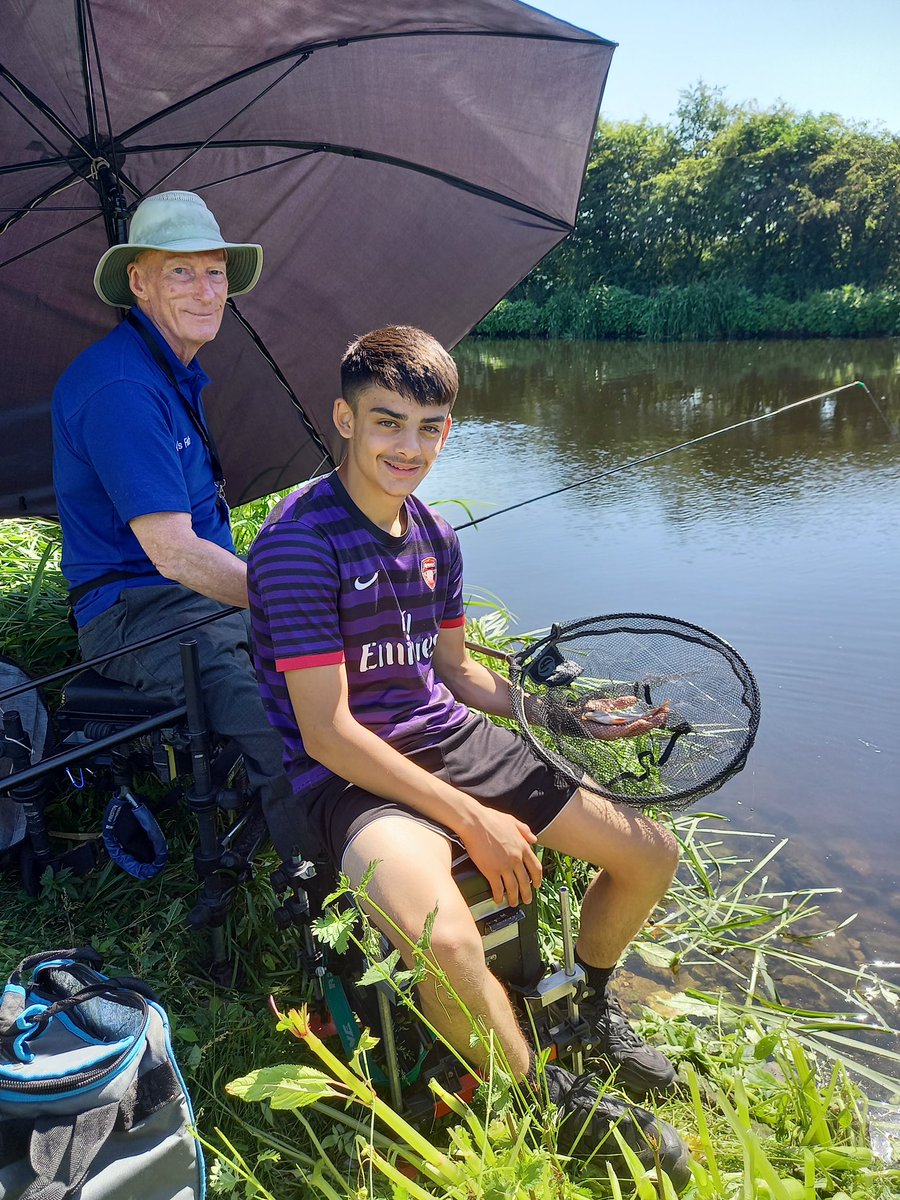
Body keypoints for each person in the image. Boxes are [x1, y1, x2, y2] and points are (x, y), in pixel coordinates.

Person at [246, 326, 690, 1186]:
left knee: (649, 853)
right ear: (343, 418)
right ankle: (540, 1101)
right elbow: (328, 732)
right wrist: (472, 819)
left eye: (429, 427)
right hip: (348, 778)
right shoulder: (297, 544)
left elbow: (453, 674)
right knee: (442, 935)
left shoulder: (436, 539)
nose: (408, 448)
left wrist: (559, 716)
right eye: (387, 423)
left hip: (449, 737)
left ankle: (589, 1011)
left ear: (448, 429)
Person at [52, 190, 286, 804]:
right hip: (136, 608)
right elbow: (175, 555)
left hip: (196, 598)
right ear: (139, 282)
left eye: (215, 273)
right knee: (277, 719)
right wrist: (286, 602)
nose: (206, 291)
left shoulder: (169, 367)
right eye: (180, 271)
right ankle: (312, 873)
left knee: (322, 673)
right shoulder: (122, 386)